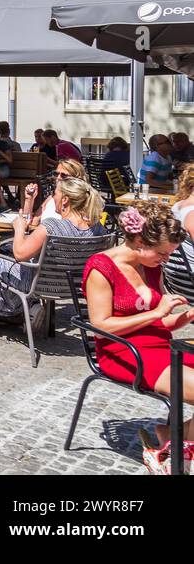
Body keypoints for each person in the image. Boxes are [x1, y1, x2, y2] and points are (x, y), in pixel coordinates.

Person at [84, 201, 194, 470]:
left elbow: (158, 323)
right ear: (139, 240)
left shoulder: (151, 265)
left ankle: (172, 438)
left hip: (159, 346)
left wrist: (185, 317)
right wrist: (156, 314)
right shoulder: (101, 267)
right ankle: (172, 445)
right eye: (162, 253)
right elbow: (100, 326)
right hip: (121, 351)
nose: (165, 259)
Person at [0, 176, 106, 334]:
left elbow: (19, 254)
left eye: (55, 193)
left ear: (65, 200)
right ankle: (27, 310)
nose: (53, 197)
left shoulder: (51, 226)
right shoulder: (98, 229)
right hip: (74, 287)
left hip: (38, 286)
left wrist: (19, 228)